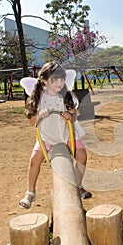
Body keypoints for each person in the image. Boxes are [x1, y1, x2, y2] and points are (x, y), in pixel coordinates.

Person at [19, 61, 92, 210]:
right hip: (47, 135)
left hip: (66, 134)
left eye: (61, 79)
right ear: (45, 81)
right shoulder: (37, 97)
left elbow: (74, 116)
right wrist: (40, 115)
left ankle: (77, 184)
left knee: (82, 156)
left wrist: (69, 116)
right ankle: (31, 192)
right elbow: (32, 122)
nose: (59, 83)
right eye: (54, 79)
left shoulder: (67, 96)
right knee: (34, 161)